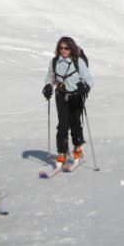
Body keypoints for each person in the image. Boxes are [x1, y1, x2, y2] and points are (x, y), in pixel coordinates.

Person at [41, 36, 93, 167]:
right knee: (63, 126)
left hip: (76, 97)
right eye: (61, 48)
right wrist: (48, 86)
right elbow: (50, 78)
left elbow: (88, 78)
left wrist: (85, 86)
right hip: (61, 96)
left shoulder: (78, 62)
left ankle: (77, 149)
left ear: (71, 49)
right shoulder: (54, 62)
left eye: (66, 48)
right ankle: (62, 153)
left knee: (75, 124)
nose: (63, 50)